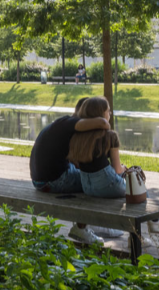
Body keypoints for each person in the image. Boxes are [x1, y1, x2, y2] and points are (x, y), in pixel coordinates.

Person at [28, 97, 114, 245]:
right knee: (98, 181)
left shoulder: (64, 125)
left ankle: (92, 222)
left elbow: (76, 163)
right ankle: (84, 227)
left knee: (92, 177)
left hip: (40, 180)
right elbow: (102, 123)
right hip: (53, 180)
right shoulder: (70, 125)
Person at [67, 97, 126, 198]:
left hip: (86, 187)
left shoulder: (78, 135)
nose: (110, 113)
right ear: (101, 114)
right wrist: (124, 168)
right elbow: (117, 169)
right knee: (139, 188)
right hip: (108, 184)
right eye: (108, 111)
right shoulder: (110, 136)